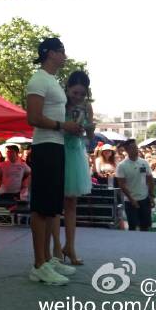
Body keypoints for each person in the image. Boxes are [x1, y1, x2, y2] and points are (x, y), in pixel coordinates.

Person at [26, 37, 81, 285]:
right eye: (61, 51)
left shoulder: (52, 81)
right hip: (45, 146)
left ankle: (48, 259)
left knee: (51, 207)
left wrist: (71, 126)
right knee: (41, 207)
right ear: (50, 53)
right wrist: (62, 125)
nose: (65, 55)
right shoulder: (38, 80)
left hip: (57, 146)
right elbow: (33, 117)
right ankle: (39, 264)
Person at [61, 70, 94, 265]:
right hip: (59, 151)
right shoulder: (60, 103)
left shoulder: (87, 107)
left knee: (71, 204)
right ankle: (56, 249)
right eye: (75, 93)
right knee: (55, 205)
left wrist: (89, 129)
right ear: (67, 89)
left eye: (82, 94)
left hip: (75, 154)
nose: (78, 97)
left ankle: (70, 246)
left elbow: (90, 137)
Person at [115, 139, 155, 231]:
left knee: (145, 226)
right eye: (132, 148)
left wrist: (151, 196)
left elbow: (150, 180)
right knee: (133, 227)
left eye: (136, 147)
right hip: (130, 201)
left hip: (144, 199)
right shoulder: (122, 166)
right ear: (127, 150)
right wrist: (132, 199)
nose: (136, 150)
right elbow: (122, 185)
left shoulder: (144, 162)